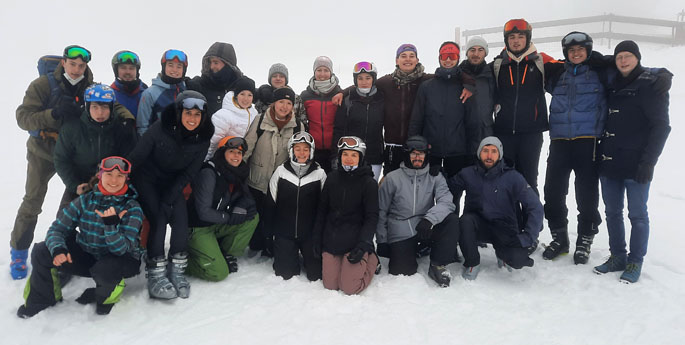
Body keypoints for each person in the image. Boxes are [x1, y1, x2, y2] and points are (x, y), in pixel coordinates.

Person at [11, 45, 133, 280]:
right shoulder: (43, 85)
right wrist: (53, 114)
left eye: (81, 65)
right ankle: (19, 250)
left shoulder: (89, 85)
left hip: (76, 153)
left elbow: (111, 104)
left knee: (74, 201)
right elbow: (22, 117)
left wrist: (127, 119)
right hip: (43, 151)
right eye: (72, 64)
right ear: (63, 63)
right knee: (33, 201)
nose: (77, 69)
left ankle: (66, 252)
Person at [17, 156, 144, 318]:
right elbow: (57, 229)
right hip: (89, 253)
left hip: (122, 260)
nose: (114, 180)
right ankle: (41, 300)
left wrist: (110, 227)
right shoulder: (85, 200)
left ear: (126, 179)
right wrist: (58, 249)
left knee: (105, 279)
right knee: (43, 251)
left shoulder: (132, 207)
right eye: (109, 174)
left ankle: (107, 292)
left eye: (120, 176)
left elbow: (121, 249)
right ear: (100, 175)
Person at [594, 40, 672, 284]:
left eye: (628, 56)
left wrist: (649, 162)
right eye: (619, 57)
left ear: (638, 58)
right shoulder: (611, 82)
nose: (623, 61)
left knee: (637, 214)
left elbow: (661, 127)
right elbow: (600, 60)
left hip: (637, 162)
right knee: (612, 212)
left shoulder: (651, 85)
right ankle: (618, 256)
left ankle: (635, 260)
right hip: (609, 160)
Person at [333, 44, 473, 176]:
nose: (407, 59)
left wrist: (469, 83)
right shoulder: (387, 82)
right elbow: (365, 84)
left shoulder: (426, 80)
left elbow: (451, 75)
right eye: (403, 56)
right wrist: (343, 92)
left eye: (411, 56)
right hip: (392, 146)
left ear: (417, 60)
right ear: (397, 60)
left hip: (415, 145)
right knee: (390, 186)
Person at [127, 90, 214, 299]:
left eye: (197, 115)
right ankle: (156, 272)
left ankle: (176, 270)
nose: (192, 119)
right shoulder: (160, 129)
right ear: (178, 113)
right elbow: (136, 157)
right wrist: (119, 178)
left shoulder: (203, 139)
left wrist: (170, 196)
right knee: (158, 217)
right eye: (188, 113)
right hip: (147, 179)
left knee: (181, 219)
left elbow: (190, 172)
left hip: (172, 182)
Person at [541, 32, 613, 264]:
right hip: (559, 141)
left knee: (587, 195)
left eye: (581, 49)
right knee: (552, 192)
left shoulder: (600, 73)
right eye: (571, 51)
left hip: (587, 140)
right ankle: (559, 237)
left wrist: (658, 75)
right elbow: (534, 58)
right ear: (565, 54)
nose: (576, 53)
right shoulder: (557, 75)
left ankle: (585, 240)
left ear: (589, 50)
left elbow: (629, 68)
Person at [449, 137, 543, 279]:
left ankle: (503, 255)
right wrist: (435, 175)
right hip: (477, 225)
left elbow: (535, 206)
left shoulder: (513, 177)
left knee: (517, 260)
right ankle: (472, 262)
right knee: (465, 221)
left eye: (494, 151)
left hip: (504, 228)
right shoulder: (468, 173)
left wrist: (527, 237)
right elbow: (448, 187)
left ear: (500, 155)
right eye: (485, 151)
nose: (489, 155)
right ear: (479, 153)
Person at [376, 136, 460, 287]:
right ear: (407, 154)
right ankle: (414, 249)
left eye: (421, 154)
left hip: (425, 226)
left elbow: (447, 202)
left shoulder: (435, 177)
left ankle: (437, 264)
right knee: (402, 271)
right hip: (400, 229)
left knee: (452, 220)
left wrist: (429, 220)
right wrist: (382, 241)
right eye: (414, 153)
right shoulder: (392, 178)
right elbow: (381, 210)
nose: (417, 157)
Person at [491, 19, 556, 194]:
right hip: (504, 133)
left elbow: (570, 67)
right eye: (512, 37)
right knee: (505, 181)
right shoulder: (498, 64)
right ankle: (509, 221)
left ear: (528, 38)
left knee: (528, 182)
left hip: (531, 134)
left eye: (520, 36)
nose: (516, 41)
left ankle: (531, 221)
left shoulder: (541, 61)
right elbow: (476, 75)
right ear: (506, 40)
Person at [54, 83, 137, 212]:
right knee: (64, 217)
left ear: (111, 108)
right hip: (80, 181)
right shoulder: (72, 128)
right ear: (87, 107)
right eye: (94, 107)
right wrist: (74, 185)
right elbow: (61, 159)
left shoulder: (121, 128)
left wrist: (114, 178)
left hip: (112, 181)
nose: (100, 112)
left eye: (104, 107)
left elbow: (128, 158)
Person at [243, 87, 306, 256]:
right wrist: (238, 170)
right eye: (281, 102)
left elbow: (301, 155)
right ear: (274, 103)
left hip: (280, 183)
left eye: (288, 103)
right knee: (256, 223)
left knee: (274, 217)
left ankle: (271, 243)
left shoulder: (298, 126)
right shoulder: (260, 120)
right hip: (257, 180)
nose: (284, 106)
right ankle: (256, 242)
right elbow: (247, 147)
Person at [313, 136, 379, 295]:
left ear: (360, 158)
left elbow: (372, 217)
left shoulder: (369, 183)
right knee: (330, 285)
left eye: (354, 155)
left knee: (349, 288)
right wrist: (316, 239)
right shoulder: (332, 178)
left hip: (355, 243)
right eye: (345, 154)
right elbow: (322, 210)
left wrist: (363, 244)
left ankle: (372, 259)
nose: (349, 159)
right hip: (332, 241)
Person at [186, 136, 258, 281]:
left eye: (239, 153)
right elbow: (203, 211)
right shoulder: (209, 172)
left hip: (215, 224)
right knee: (219, 272)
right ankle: (183, 263)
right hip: (198, 228)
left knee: (251, 217)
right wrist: (228, 217)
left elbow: (247, 196)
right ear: (222, 152)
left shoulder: (238, 171)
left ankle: (223, 253)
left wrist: (241, 206)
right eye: (231, 151)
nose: (236, 156)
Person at [409, 41, 480, 178]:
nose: (448, 60)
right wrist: (414, 146)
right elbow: (416, 119)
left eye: (452, 56)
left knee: (453, 195)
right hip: (429, 151)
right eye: (444, 56)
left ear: (458, 58)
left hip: (457, 153)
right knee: (426, 195)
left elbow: (473, 123)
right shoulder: (427, 87)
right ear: (439, 58)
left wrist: (472, 152)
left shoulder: (466, 88)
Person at [265, 132, 327, 281]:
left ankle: (307, 256)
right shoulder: (281, 172)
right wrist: (269, 234)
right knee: (285, 274)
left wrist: (320, 235)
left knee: (315, 275)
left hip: (309, 234)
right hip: (284, 233)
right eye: (297, 148)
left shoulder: (320, 174)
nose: (301, 153)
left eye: (306, 149)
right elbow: (270, 204)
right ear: (291, 150)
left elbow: (324, 208)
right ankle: (287, 254)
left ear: (311, 151)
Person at [331, 61, 384, 181]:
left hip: (374, 157)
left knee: (370, 191)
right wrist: (335, 155)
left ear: (373, 79)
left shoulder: (381, 99)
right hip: (351, 156)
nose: (364, 82)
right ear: (355, 80)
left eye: (368, 78)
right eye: (360, 78)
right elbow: (338, 129)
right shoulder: (347, 100)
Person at [300, 56, 342, 172]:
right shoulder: (305, 95)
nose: (322, 74)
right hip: (313, 149)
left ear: (331, 72)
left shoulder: (339, 94)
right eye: (319, 70)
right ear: (314, 72)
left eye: (326, 70)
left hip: (335, 150)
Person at [136, 49, 188, 136]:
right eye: (170, 65)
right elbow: (142, 127)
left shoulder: (187, 91)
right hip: (158, 145)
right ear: (164, 67)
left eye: (179, 67)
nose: (175, 70)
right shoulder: (150, 93)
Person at [205, 77, 257, 160]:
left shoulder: (254, 114)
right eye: (242, 94)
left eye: (249, 95)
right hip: (222, 159)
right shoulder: (224, 115)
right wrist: (207, 161)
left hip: (239, 159)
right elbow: (212, 143)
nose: (246, 99)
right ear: (236, 95)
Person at [186, 42, 244, 115]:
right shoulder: (200, 84)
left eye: (215, 62)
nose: (212, 66)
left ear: (227, 64)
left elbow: (256, 94)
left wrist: (263, 91)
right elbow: (178, 85)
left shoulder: (241, 86)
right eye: (210, 63)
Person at [459, 36, 496, 138]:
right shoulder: (458, 75)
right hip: (462, 134)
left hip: (486, 133)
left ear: (485, 53)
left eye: (480, 50)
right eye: (472, 50)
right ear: (467, 53)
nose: (476, 54)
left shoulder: (492, 75)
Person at [110, 50, 148, 117]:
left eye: (132, 68)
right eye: (123, 68)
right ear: (116, 70)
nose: (128, 72)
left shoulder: (146, 93)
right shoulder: (110, 95)